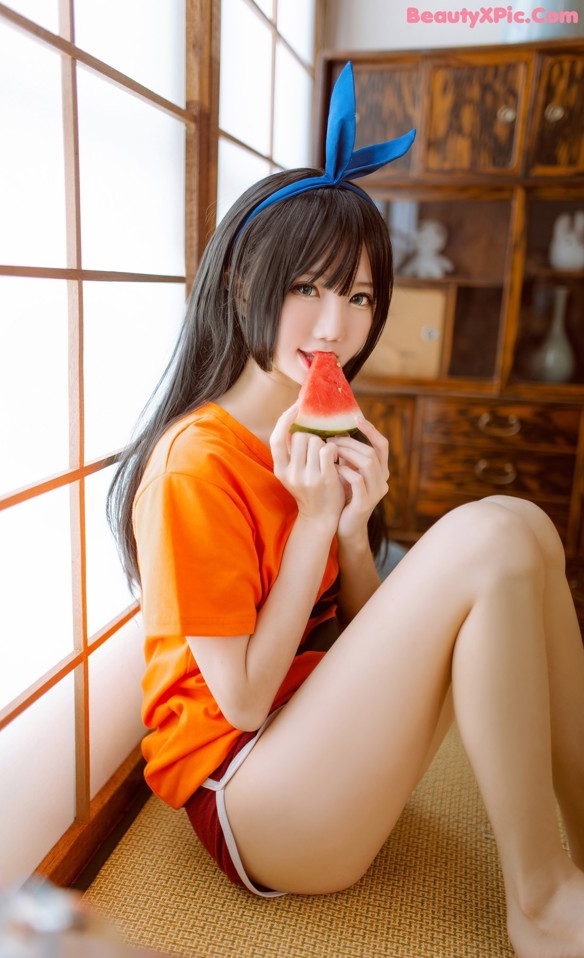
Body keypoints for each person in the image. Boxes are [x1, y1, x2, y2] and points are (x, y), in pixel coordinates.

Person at [108, 63, 584, 957]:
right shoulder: (194, 464)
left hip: (320, 740)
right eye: (308, 288)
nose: (333, 327)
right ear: (247, 281)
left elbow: (359, 638)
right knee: (488, 531)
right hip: (254, 802)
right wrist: (317, 522)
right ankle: (544, 900)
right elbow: (243, 702)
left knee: (525, 529)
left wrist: (356, 532)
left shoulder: (314, 435)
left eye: (358, 297)